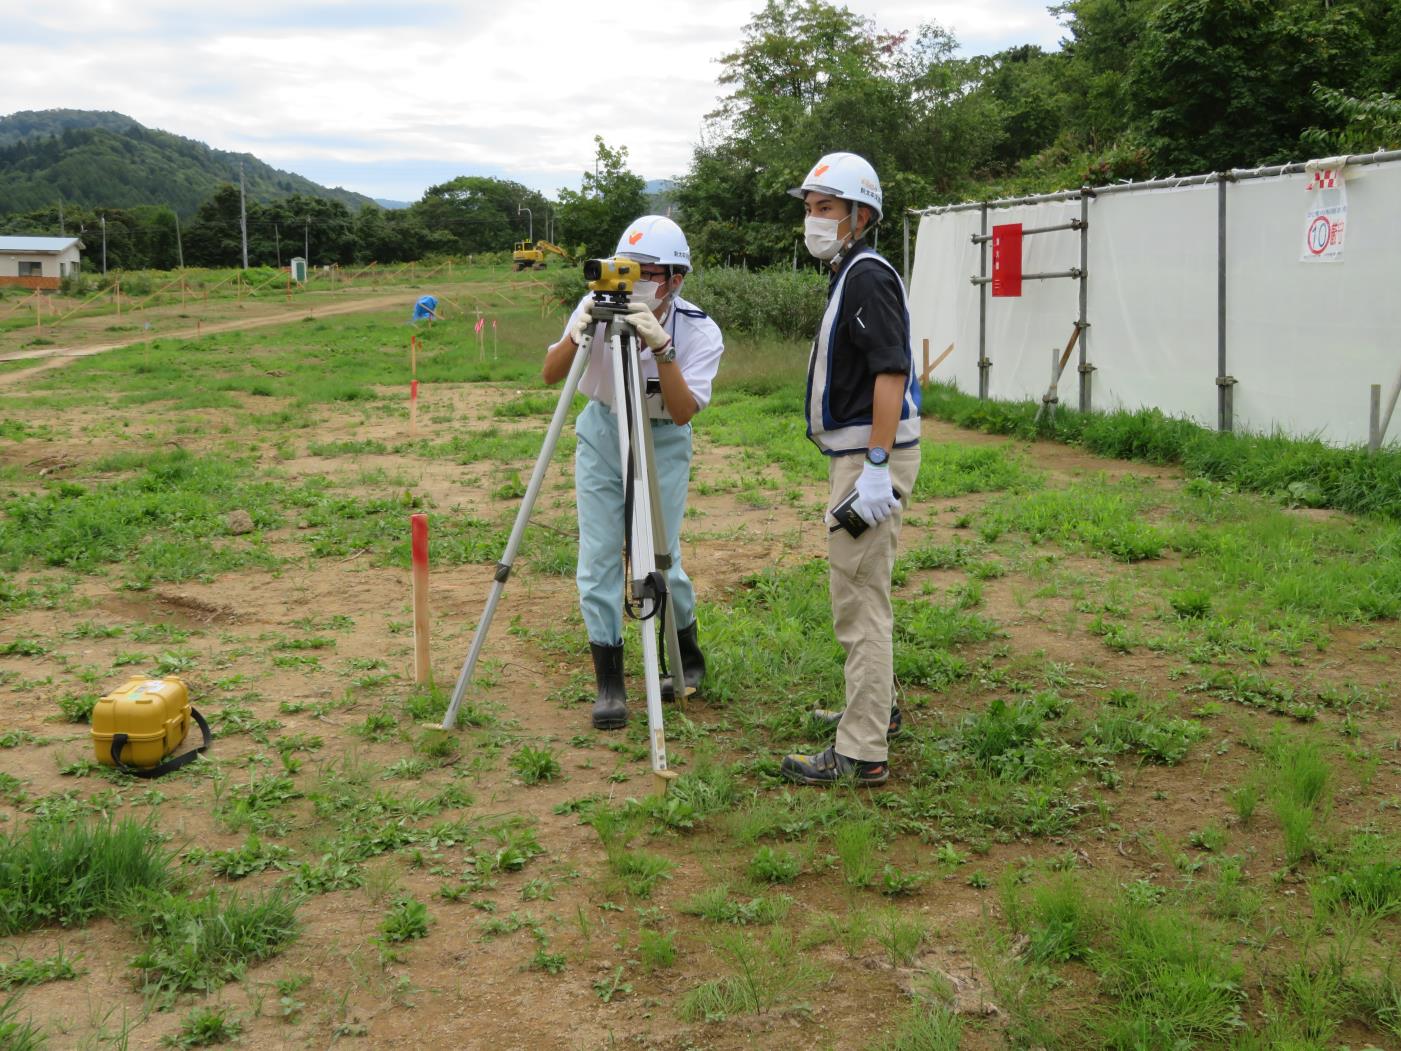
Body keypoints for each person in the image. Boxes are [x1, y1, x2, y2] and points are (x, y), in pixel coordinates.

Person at [541, 216, 725, 730]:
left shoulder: (699, 329)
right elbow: (551, 374)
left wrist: (663, 349)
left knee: (660, 557)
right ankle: (610, 682)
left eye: (649, 272)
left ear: (676, 278)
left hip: (662, 435)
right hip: (602, 427)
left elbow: (684, 409)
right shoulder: (593, 308)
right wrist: (577, 336)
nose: (635, 280)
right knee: (598, 552)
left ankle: (684, 657)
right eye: (628, 268)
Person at [779, 152, 922, 786]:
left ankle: (861, 751)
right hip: (863, 453)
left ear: (861, 216)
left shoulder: (865, 276)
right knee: (867, 590)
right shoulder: (851, 272)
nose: (814, 219)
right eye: (810, 208)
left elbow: (890, 370)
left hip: (871, 458)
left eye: (826, 208)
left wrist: (875, 466)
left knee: (859, 599)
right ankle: (876, 711)